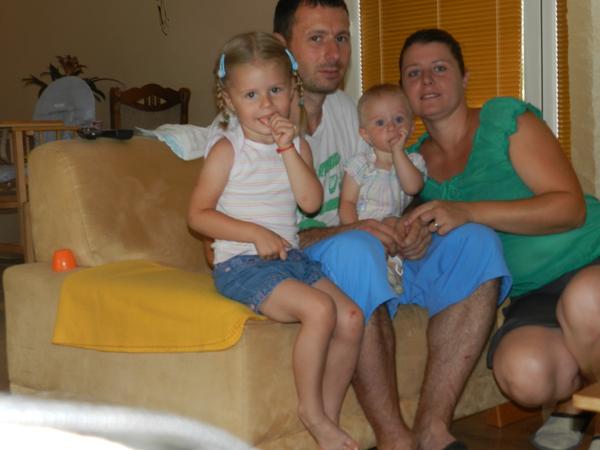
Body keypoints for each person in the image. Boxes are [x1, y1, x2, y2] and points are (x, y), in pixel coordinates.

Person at [273, 2, 512, 450]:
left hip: (381, 249)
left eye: (341, 38)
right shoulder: (262, 125)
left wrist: (409, 228)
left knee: (475, 242)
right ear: (282, 47)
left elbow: (389, 187)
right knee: (357, 249)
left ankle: (433, 427)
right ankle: (394, 438)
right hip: (315, 259)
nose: (333, 53)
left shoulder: (356, 113)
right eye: (317, 38)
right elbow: (260, 236)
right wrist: (348, 232)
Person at [399, 28, 600, 450]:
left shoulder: (504, 121)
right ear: (404, 89)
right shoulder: (413, 167)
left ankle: (587, 413)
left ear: (465, 78)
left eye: (439, 68)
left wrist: (470, 211)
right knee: (523, 375)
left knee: (586, 300)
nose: (427, 80)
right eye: (413, 73)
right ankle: (578, 400)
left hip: (590, 259)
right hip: (533, 294)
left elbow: (570, 208)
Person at [187, 31, 364, 450]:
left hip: (289, 260)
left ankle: (328, 418)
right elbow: (198, 215)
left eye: (275, 90)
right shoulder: (228, 150)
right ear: (229, 102)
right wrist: (254, 233)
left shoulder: (297, 145)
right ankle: (312, 413)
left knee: (352, 317)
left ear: (293, 91)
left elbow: (311, 202)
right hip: (240, 265)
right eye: (251, 95)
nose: (266, 105)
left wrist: (288, 150)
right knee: (319, 309)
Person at [339, 84, 426, 293]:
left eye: (399, 119)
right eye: (380, 122)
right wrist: (356, 230)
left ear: (411, 127)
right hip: (364, 227)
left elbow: (412, 187)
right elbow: (347, 203)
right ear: (366, 135)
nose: (391, 127)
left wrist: (398, 153)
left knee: (399, 224)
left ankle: (393, 270)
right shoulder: (360, 164)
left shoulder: (414, 161)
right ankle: (376, 270)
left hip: (394, 228)